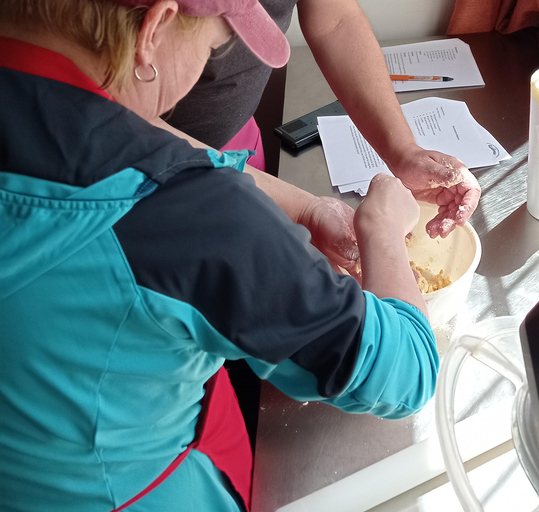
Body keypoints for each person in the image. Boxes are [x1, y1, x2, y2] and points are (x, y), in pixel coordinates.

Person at [0, 1, 438, 511]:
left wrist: (305, 207)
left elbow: (136, 133)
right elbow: (405, 370)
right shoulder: (190, 219)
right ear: (155, 27)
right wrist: (381, 228)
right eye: (212, 47)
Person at [164, 0, 482, 241]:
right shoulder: (125, 121)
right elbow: (143, 138)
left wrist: (403, 150)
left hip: (235, 145)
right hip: (148, 170)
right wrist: (306, 211)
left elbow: (336, 19)